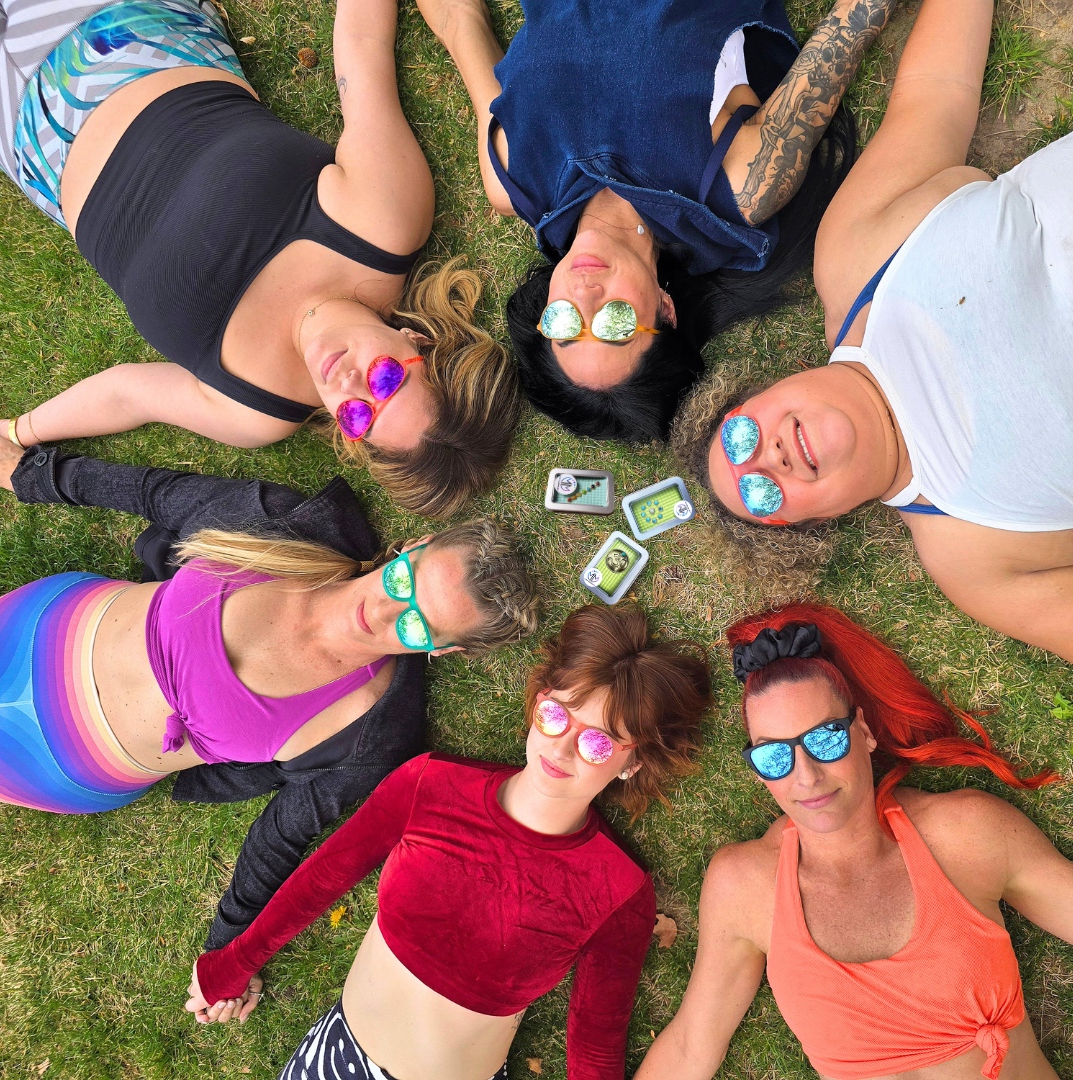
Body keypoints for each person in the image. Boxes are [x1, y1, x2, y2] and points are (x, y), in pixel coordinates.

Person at [0, 427, 540, 949]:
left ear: (440, 650)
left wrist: (226, 948)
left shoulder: (367, 736)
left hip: (51, 765)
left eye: (416, 625)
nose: (381, 611)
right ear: (412, 548)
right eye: (403, 583)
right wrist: (31, 474)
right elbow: (156, 493)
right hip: (37, 631)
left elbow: (280, 837)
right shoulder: (290, 528)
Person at [0, 0, 519, 517]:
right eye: (386, 379)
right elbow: (361, 51)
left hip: (30, 141)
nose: (348, 386)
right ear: (417, 341)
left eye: (360, 416)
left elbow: (129, 394)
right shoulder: (383, 224)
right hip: (121, 35)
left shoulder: (256, 411)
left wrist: (20, 431)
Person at [671, 0, 1073, 658]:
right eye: (763, 491)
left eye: (741, 434)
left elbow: (934, 96)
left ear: (767, 388)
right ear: (817, 523)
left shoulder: (854, 259)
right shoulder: (972, 561)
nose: (765, 457)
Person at [183, 604, 711, 1080]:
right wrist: (232, 963)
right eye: (556, 714)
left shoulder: (619, 890)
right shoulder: (430, 784)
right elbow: (323, 877)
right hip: (332, 1061)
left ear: (633, 762)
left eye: (599, 741)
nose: (563, 747)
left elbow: (594, 1044)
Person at [411, 0, 887, 443]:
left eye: (563, 322)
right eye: (615, 323)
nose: (586, 298)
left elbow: (461, 25)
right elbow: (851, 25)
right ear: (666, 310)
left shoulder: (514, 178)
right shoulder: (738, 186)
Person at [635, 602, 1070, 1080]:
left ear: (862, 732)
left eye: (824, 740)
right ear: (759, 773)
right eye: (774, 757)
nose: (806, 776)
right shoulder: (745, 886)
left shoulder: (965, 833)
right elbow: (690, 1047)